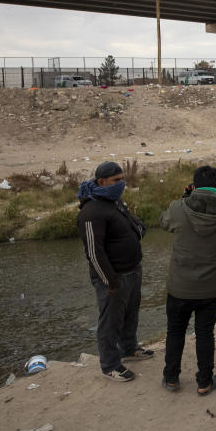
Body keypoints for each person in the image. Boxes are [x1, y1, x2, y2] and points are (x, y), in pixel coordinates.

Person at [159, 165, 216, 395]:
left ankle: (171, 378)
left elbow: (164, 222)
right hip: (210, 288)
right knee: (205, 333)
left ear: (193, 186)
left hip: (179, 286)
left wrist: (185, 197)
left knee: (175, 331)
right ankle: (204, 382)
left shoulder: (179, 208)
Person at [77, 161, 151, 382]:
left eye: (122, 179)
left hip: (132, 270)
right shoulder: (91, 211)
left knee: (130, 313)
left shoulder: (114, 202)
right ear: (101, 182)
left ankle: (129, 348)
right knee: (110, 321)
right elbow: (94, 251)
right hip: (113, 277)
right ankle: (110, 364)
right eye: (116, 180)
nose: (121, 184)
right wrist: (109, 281)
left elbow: (132, 225)